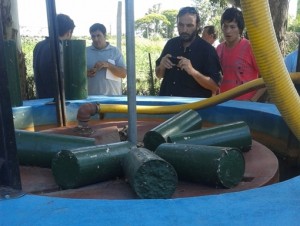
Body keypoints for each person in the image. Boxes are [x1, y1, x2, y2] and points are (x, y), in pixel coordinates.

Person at [155, 6, 223, 98]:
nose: (184, 30)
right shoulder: (171, 44)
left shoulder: (207, 50)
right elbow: (159, 75)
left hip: (194, 109)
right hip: (167, 106)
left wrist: (193, 72)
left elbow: (215, 86)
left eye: (189, 25)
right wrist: (162, 66)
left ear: (197, 25)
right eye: (181, 25)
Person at [216, 7, 259, 101]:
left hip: (246, 106)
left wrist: (252, 101)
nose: (228, 31)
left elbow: (268, 78)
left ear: (240, 29)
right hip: (223, 103)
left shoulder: (250, 47)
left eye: (232, 27)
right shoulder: (219, 49)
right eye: (225, 26)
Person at [33, 14, 75, 99]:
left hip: (42, 97)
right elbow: (64, 75)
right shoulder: (59, 48)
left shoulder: (39, 45)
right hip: (57, 100)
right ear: (69, 32)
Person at [86, 23, 126, 95]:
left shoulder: (115, 51)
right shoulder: (85, 52)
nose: (96, 39)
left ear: (104, 35)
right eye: (93, 36)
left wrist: (107, 65)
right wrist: (86, 73)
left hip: (113, 99)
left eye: (98, 35)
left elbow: (123, 74)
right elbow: (76, 76)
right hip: (91, 99)